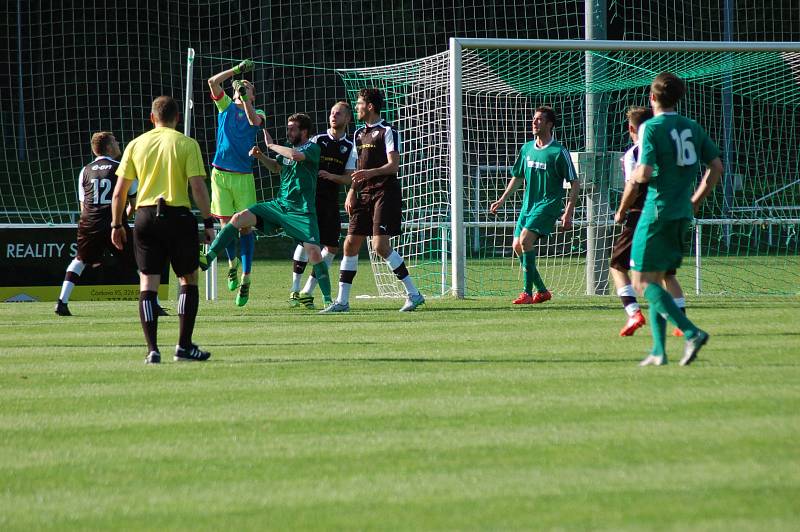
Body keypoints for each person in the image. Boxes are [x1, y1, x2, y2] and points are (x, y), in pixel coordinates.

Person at [615, 72, 723, 366]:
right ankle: (658, 351)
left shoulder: (651, 128)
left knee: (640, 281)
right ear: (678, 97)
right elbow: (715, 165)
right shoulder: (691, 126)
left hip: (656, 212)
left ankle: (692, 332)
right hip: (682, 212)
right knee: (661, 276)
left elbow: (645, 173)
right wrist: (696, 200)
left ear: (652, 98)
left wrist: (634, 176)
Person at [111, 96, 215, 364]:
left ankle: (152, 350)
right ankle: (183, 347)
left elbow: (119, 192)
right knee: (188, 280)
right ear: (177, 118)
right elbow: (198, 188)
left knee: (148, 284)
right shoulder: (186, 143)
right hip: (178, 216)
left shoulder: (136, 144)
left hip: (145, 217)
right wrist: (208, 221)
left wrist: (117, 224)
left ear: (151, 117)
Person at [201, 113, 334, 307]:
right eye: (288, 128)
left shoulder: (312, 147)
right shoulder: (289, 150)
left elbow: (296, 156)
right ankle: (209, 257)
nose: (288, 132)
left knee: (314, 253)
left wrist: (271, 146)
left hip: (301, 211)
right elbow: (275, 168)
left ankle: (329, 301)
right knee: (238, 218)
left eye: (292, 128)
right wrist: (261, 156)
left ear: (304, 131)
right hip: (279, 206)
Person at [320, 88, 424, 313]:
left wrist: (370, 174)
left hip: (385, 193)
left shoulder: (388, 131)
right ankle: (342, 302)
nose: (356, 107)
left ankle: (414, 294)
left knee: (380, 246)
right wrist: (351, 191)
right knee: (350, 243)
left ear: (370, 106)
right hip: (363, 194)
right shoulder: (358, 134)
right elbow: (358, 168)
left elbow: (393, 166)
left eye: (359, 104)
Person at [489, 106, 580, 304]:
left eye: (539, 120)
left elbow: (575, 182)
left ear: (549, 124)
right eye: (534, 119)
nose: (534, 122)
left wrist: (568, 212)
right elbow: (518, 176)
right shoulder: (527, 148)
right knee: (517, 246)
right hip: (528, 205)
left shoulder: (559, 151)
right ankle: (542, 291)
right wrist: (502, 199)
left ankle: (527, 293)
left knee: (525, 240)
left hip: (548, 205)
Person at [612, 107, 690, 337]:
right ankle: (681, 321)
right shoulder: (669, 152)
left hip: (641, 216)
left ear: (631, 129)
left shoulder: (634, 154)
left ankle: (634, 312)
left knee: (618, 266)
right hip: (670, 214)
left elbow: (632, 186)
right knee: (667, 273)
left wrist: (621, 211)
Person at [55, 132, 138, 316]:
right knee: (138, 262)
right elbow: (135, 204)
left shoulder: (84, 170)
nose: (118, 143)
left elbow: (83, 206)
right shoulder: (123, 168)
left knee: (79, 260)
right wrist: (120, 219)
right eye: (115, 141)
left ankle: (62, 301)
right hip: (113, 224)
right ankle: (153, 303)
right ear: (108, 147)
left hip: (89, 222)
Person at [207, 59, 265, 306]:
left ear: (253, 93)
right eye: (239, 86)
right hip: (220, 174)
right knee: (225, 225)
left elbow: (254, 122)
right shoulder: (226, 107)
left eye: (247, 86)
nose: (242, 87)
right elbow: (212, 81)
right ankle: (231, 264)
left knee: (245, 228)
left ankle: (246, 277)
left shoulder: (258, 112)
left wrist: (247, 100)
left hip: (243, 177)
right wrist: (237, 71)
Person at [289, 101, 357, 309]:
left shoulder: (350, 148)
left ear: (347, 119)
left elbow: (349, 179)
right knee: (306, 242)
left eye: (338, 113)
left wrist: (332, 176)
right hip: (310, 198)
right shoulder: (318, 140)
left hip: (330, 202)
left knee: (332, 247)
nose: (333, 116)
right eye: (331, 113)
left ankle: (307, 291)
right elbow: (298, 160)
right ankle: (295, 288)